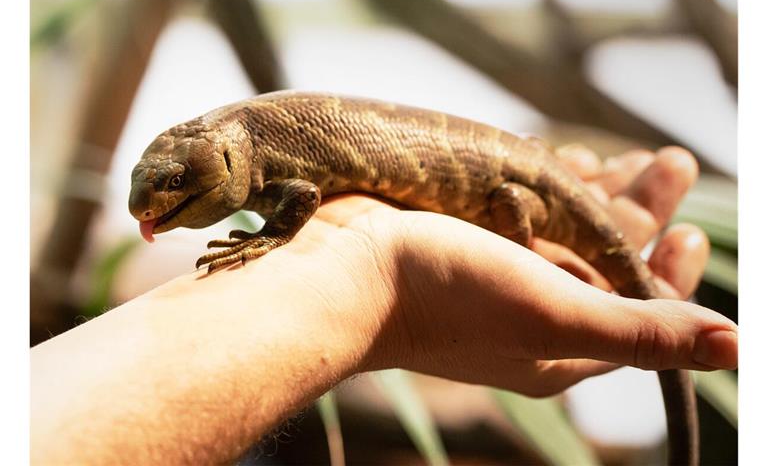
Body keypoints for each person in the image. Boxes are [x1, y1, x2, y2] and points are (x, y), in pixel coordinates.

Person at [31, 145, 738, 465]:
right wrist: (374, 285)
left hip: (514, 185)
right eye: (152, 184)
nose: (150, 202)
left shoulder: (261, 161)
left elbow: (302, 197)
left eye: (176, 181)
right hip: (510, 180)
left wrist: (277, 248)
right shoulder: (236, 147)